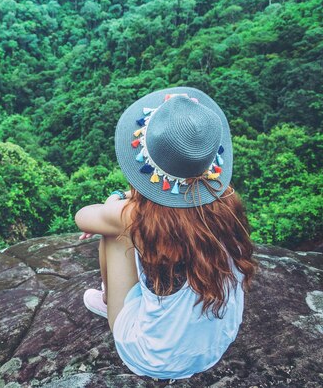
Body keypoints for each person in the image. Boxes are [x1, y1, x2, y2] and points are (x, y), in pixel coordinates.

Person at [75, 87, 256, 380]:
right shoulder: (227, 204)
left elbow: (83, 217)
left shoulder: (138, 217)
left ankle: (111, 302)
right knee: (121, 230)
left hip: (153, 358)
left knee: (112, 236)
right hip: (214, 345)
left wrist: (115, 205)